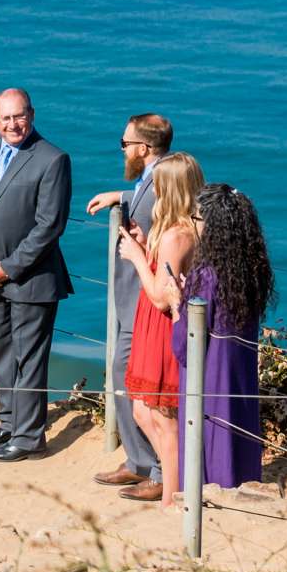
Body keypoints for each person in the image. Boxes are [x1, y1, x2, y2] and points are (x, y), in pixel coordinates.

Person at [0, 88, 72, 461]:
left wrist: (8, 268)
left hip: (31, 278)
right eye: (5, 118)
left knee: (29, 358)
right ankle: (8, 422)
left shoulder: (52, 159)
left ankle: (28, 438)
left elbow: (49, 226)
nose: (13, 124)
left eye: (19, 116)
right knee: (2, 353)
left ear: (32, 115)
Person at [87, 113, 173, 490]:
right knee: (124, 376)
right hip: (132, 302)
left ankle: (155, 469)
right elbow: (144, 197)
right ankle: (139, 460)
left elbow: (162, 215)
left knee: (138, 383)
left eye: (125, 144)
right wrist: (120, 196)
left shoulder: (162, 183)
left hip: (144, 303)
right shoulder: (153, 178)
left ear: (143, 148)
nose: (122, 149)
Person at [117, 151, 202, 502]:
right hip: (153, 325)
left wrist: (137, 258)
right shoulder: (184, 227)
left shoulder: (176, 235)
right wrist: (143, 244)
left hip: (161, 325)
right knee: (142, 408)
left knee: (162, 417)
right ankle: (172, 487)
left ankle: (171, 496)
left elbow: (161, 297)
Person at [176, 183, 273, 491]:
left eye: (196, 217)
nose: (194, 223)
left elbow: (185, 344)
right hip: (240, 375)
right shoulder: (249, 269)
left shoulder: (205, 275)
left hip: (209, 379)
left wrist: (177, 301)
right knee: (238, 436)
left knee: (209, 443)